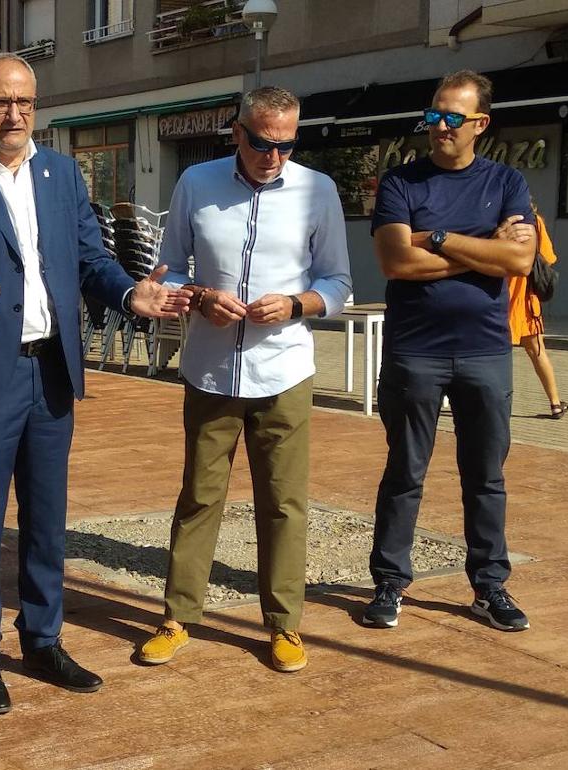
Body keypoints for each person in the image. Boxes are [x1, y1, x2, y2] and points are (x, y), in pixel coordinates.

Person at [0, 52, 190, 716]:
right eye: (2, 101)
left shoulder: (61, 172)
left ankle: (42, 639)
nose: (15, 114)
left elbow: (91, 260)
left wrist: (132, 296)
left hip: (52, 368)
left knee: (46, 517)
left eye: (26, 103)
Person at [135, 87, 352, 673]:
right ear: (237, 132)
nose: (273, 156)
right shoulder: (195, 184)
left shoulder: (318, 191)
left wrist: (299, 304)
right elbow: (168, 269)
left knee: (283, 502)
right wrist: (199, 295)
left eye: (285, 144)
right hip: (209, 369)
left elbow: (338, 282)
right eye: (261, 142)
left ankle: (284, 625)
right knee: (200, 496)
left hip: (284, 371)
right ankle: (178, 616)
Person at [364, 70, 536, 633]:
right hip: (416, 352)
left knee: (485, 476)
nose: (439, 126)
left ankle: (490, 587)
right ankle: (390, 583)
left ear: (480, 125)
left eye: (452, 118)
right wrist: (484, 248)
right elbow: (394, 262)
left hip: (486, 351)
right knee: (404, 472)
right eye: (434, 115)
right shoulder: (401, 182)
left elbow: (519, 264)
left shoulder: (506, 182)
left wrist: (434, 238)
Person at [507, 199, 567, 419]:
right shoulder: (535, 223)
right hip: (525, 300)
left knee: (486, 354)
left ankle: (479, 403)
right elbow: (548, 259)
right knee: (537, 351)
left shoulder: (495, 223)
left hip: (495, 298)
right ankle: (555, 403)